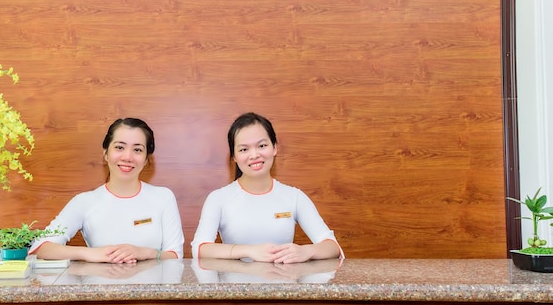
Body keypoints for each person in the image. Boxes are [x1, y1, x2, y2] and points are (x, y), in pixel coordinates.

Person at [191, 112, 343, 262]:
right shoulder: (218, 198)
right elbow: (200, 248)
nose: (254, 155)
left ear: (274, 148)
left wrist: (305, 251)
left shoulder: (294, 197)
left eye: (262, 146)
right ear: (234, 157)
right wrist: (249, 251)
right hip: (234, 279)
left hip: (284, 278)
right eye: (244, 149)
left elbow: (333, 247)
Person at [30, 117, 184, 263]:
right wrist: (91, 253)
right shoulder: (84, 202)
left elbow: (175, 256)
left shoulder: (163, 197)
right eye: (119, 147)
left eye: (137, 150)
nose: (127, 157)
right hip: (99, 283)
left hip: (154, 284)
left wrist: (144, 252)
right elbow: (40, 248)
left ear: (146, 160)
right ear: (105, 154)